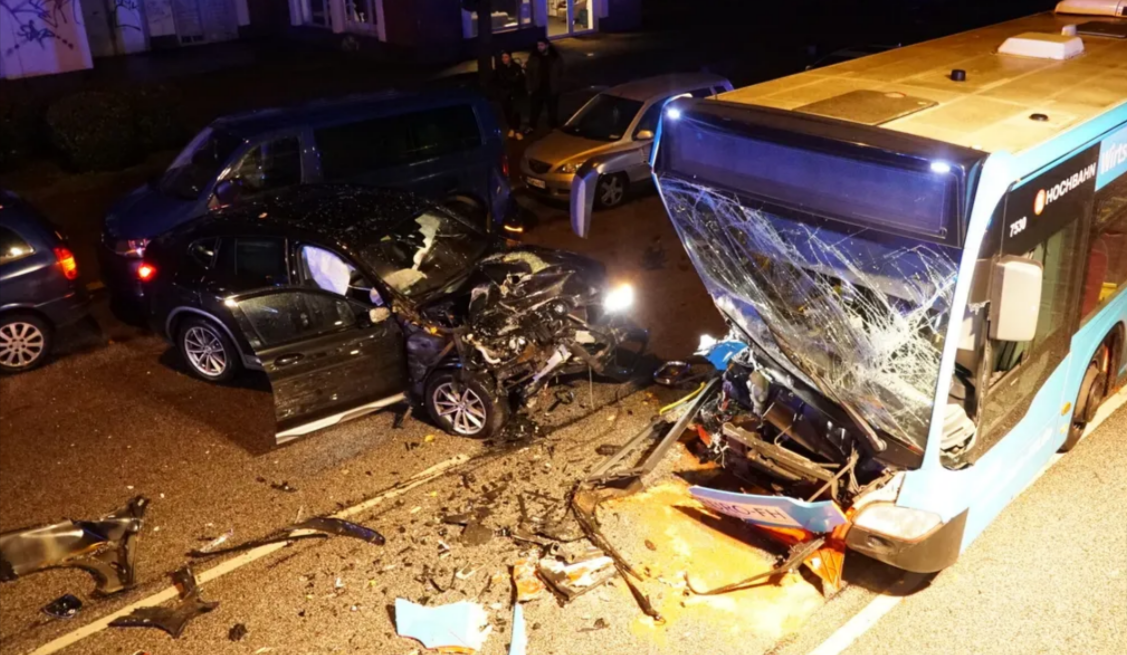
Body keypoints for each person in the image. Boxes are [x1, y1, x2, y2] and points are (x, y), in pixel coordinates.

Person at [525, 38, 564, 132]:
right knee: (535, 109)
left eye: (541, 45)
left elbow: (561, 71)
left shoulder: (554, 57)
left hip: (551, 88)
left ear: (547, 45)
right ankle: (532, 126)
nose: (539, 47)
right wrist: (530, 88)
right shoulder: (534, 57)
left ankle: (553, 126)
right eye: (538, 45)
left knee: (552, 109)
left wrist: (557, 85)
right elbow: (529, 73)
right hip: (538, 88)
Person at [495, 51, 526, 140]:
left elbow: (519, 79)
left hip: (515, 93)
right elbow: (500, 80)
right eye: (503, 57)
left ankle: (517, 130)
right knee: (507, 112)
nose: (504, 59)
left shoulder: (516, 67)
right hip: (505, 94)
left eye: (506, 57)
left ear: (510, 57)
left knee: (516, 112)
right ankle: (511, 128)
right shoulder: (500, 68)